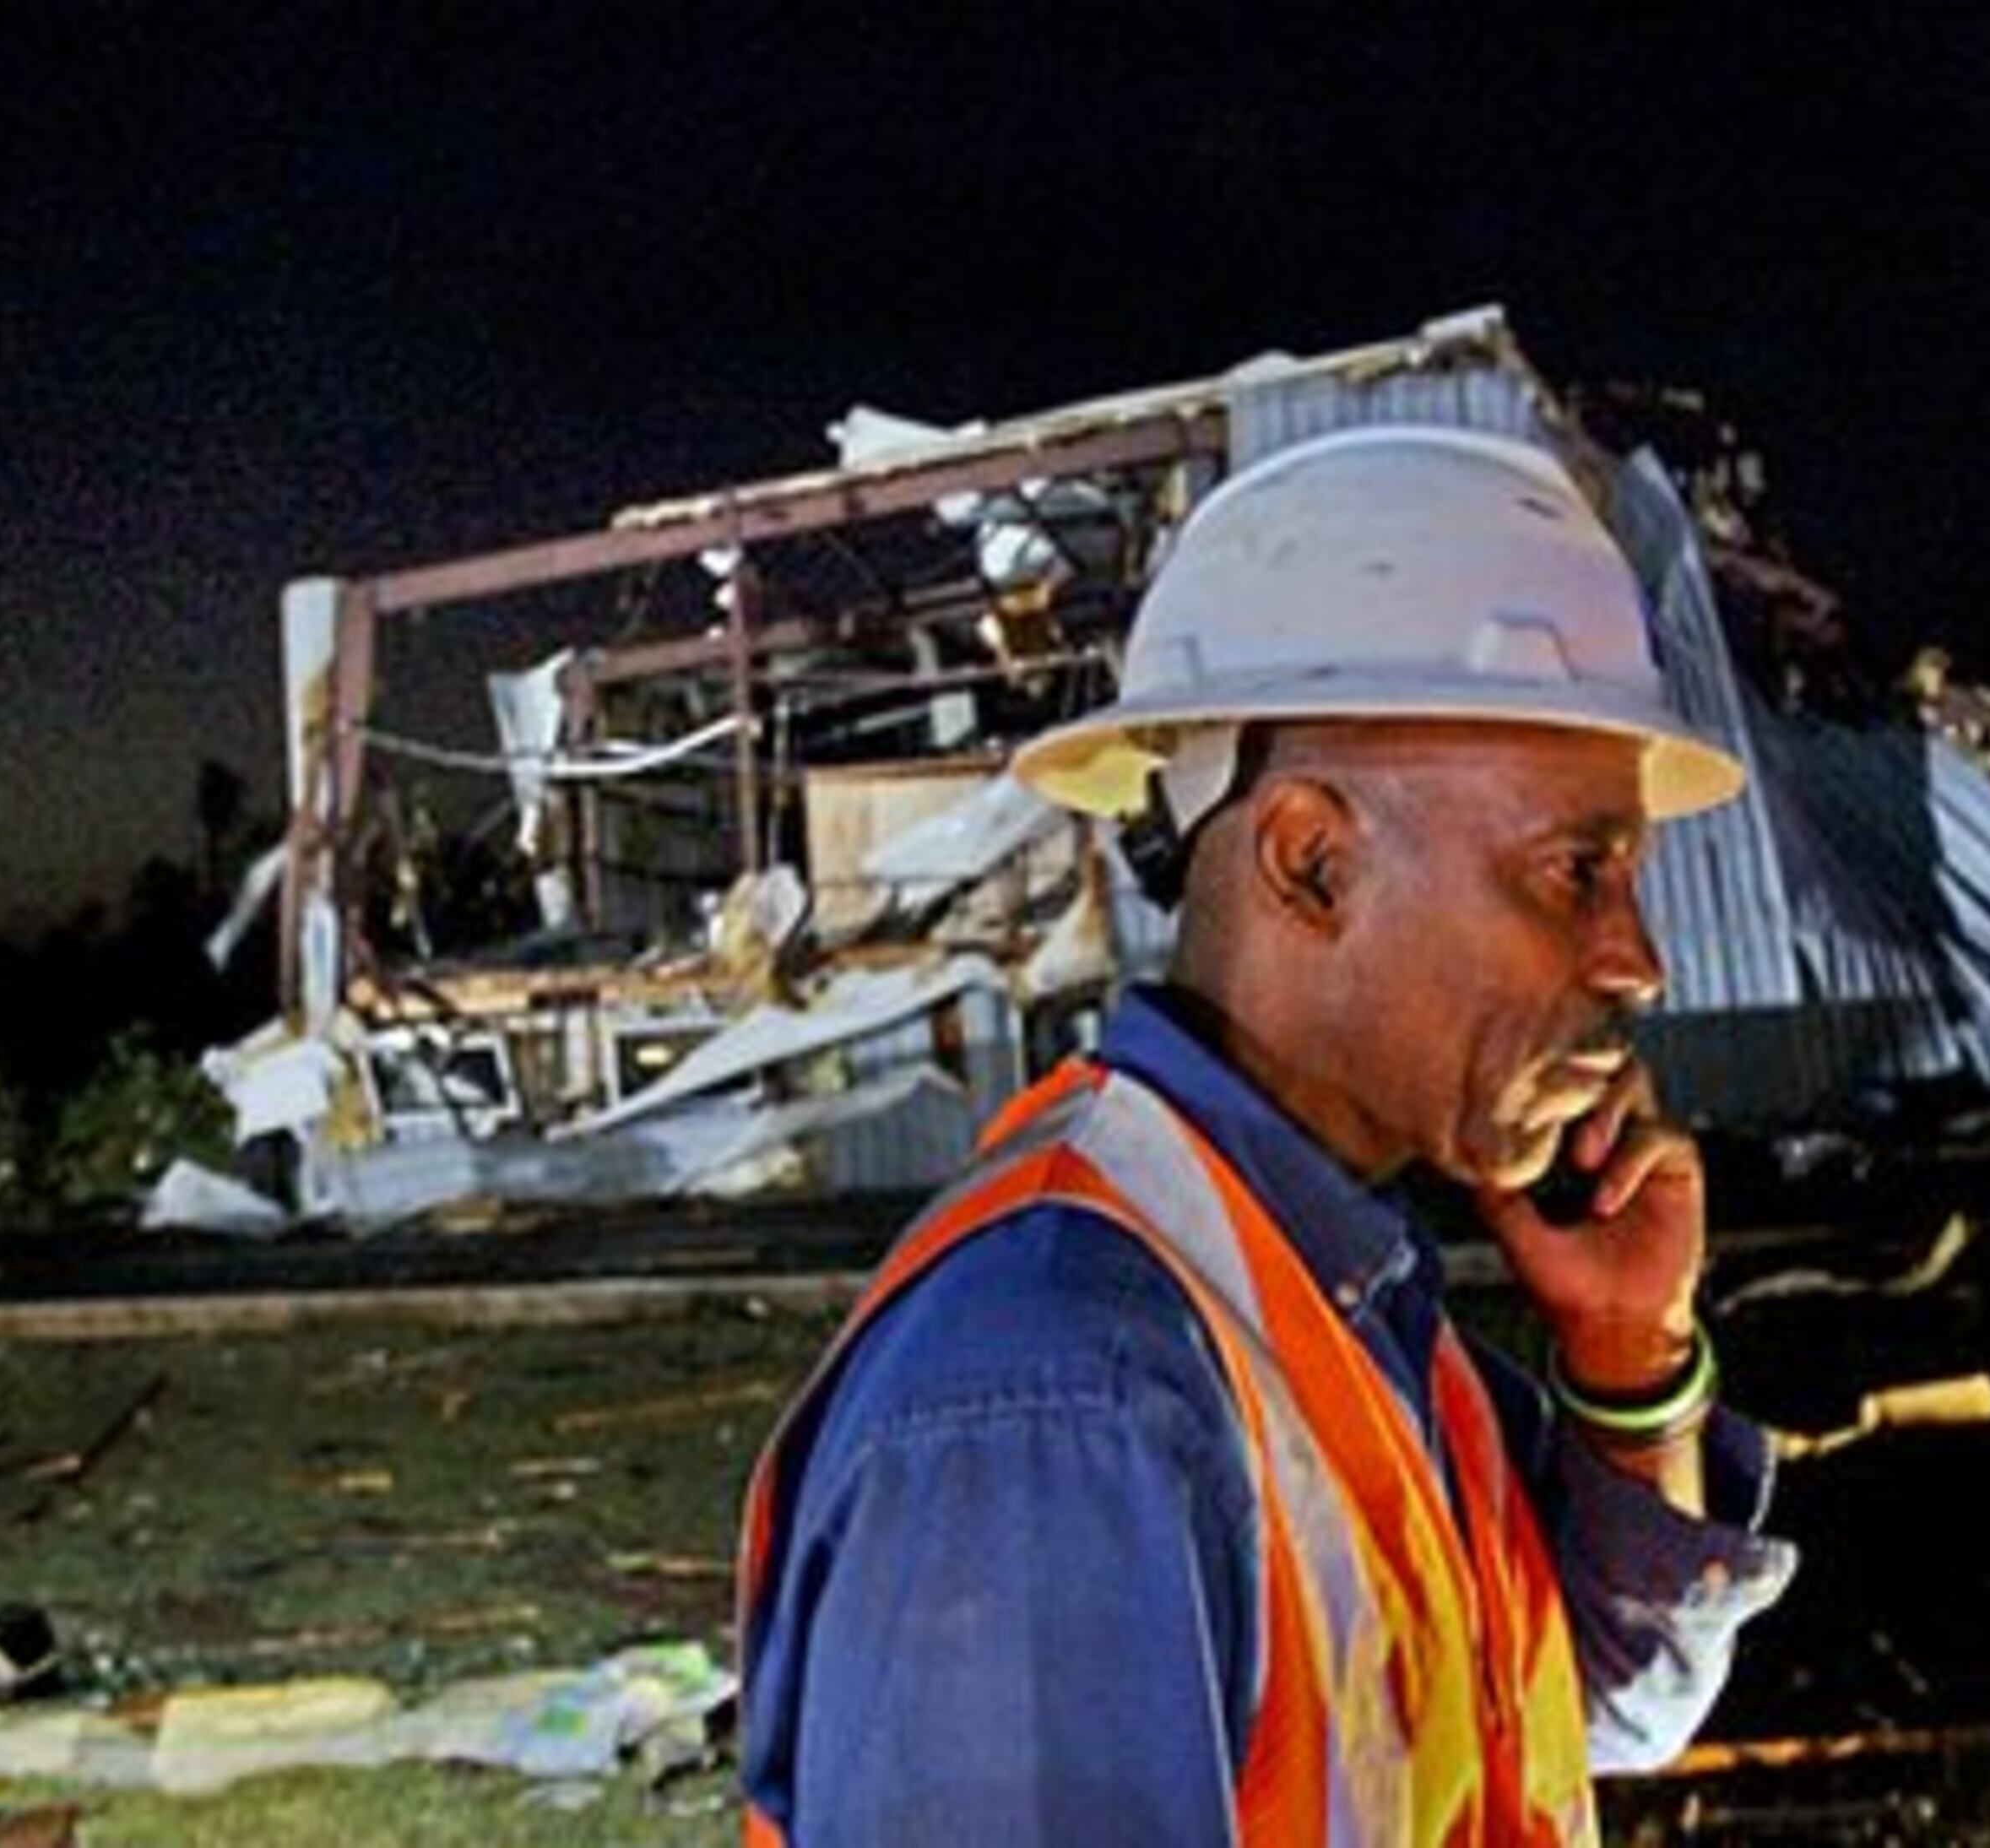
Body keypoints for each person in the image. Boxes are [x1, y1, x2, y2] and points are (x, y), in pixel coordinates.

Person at [736, 425, 1798, 1845]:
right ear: (1312, 860)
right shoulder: (1067, 1397)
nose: (1638, 960)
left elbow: (1606, 1706)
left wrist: (1629, 1360)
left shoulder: (1342, 1301)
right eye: (1579, 871)